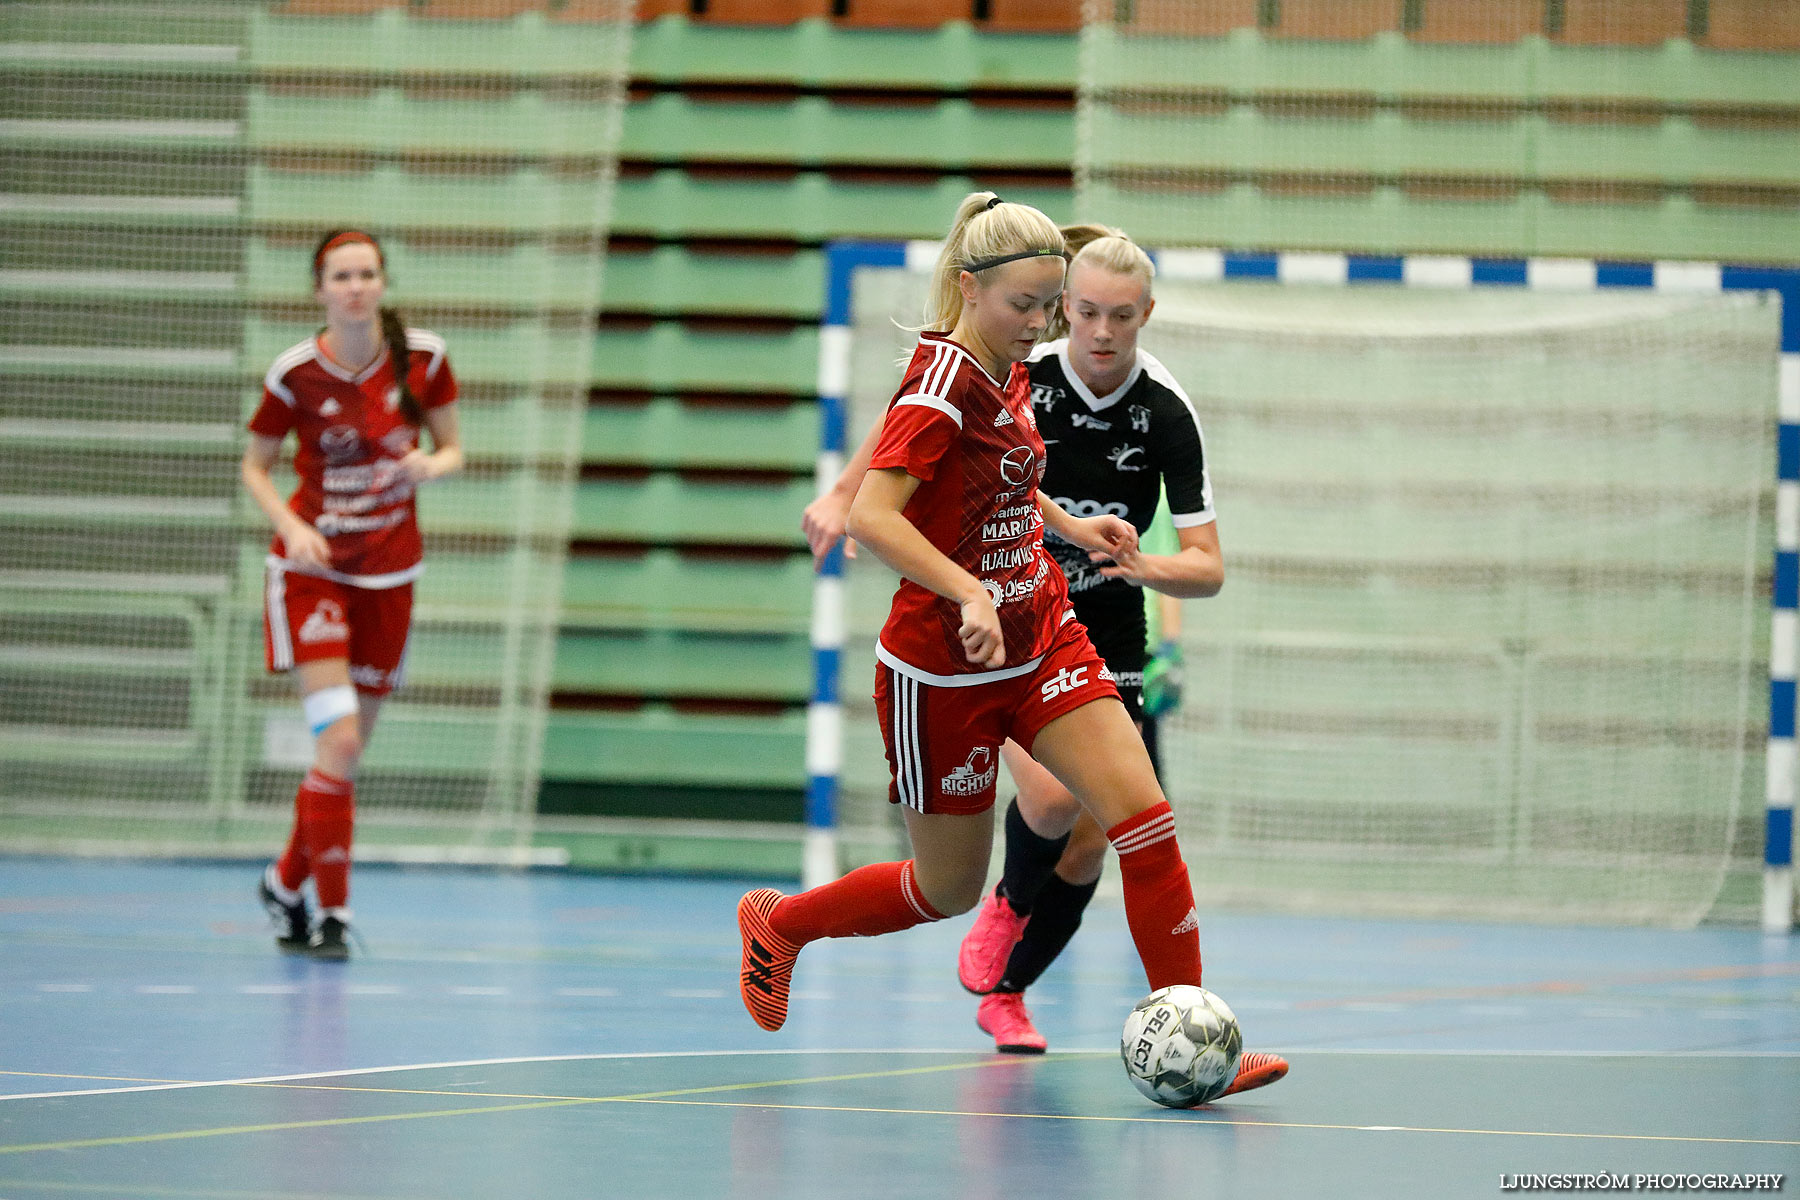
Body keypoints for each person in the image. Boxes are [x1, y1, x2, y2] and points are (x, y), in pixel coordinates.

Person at [746, 193, 1280, 1099]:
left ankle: (1201, 1043)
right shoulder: (942, 382)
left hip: (1042, 636)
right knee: (946, 888)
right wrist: (963, 588)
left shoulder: (1006, 369)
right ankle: (784, 923)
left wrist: (1070, 526)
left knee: (1143, 824)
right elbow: (879, 516)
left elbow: (998, 485)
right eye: (1027, 307)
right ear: (971, 287)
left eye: (1050, 305)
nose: (1042, 326)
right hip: (943, 670)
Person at [242, 229, 462, 959]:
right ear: (320, 290)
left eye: (367, 274)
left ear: (381, 283)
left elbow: (455, 448)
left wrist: (432, 467)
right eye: (342, 275)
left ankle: (283, 881)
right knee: (336, 739)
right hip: (314, 573)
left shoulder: (423, 359)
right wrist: (290, 525)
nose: (356, 286)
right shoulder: (295, 374)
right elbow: (254, 467)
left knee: (344, 755)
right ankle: (333, 914)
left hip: (391, 576)